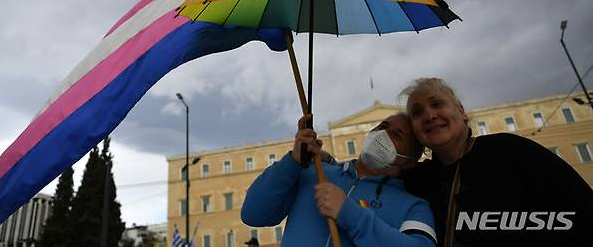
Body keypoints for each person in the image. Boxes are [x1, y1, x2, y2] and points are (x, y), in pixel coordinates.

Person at [402, 77, 593, 247]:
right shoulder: (416, 180)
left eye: (437, 104)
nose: (429, 116)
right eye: (417, 113)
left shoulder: (511, 151)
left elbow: (583, 211)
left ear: (461, 112)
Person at [241, 113, 437, 246]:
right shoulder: (314, 172)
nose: (382, 134)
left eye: (397, 135)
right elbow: (253, 214)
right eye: (382, 126)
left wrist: (350, 214)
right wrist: (292, 162)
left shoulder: (414, 207)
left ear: (411, 160)